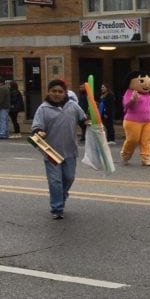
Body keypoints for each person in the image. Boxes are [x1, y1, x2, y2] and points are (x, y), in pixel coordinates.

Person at [30, 79, 89, 219]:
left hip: (70, 150)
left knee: (69, 178)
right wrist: (39, 132)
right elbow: (36, 127)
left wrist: (92, 123)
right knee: (55, 181)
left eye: (60, 91)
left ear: (65, 93)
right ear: (48, 92)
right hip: (51, 152)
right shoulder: (43, 109)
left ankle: (61, 195)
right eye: (54, 91)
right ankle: (57, 208)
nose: (57, 94)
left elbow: (83, 121)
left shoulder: (73, 106)